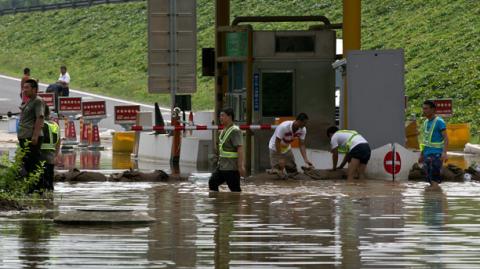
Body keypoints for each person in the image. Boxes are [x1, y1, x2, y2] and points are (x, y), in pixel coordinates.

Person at [209, 108, 245, 192]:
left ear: (229, 117)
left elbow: (240, 148)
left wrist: (240, 166)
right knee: (212, 182)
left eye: (223, 116)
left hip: (231, 168)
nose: (220, 118)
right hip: (222, 167)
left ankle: (237, 204)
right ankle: (218, 203)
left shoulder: (235, 131)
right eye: (220, 116)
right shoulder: (223, 130)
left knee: (235, 191)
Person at [268, 113, 313, 178]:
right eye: (304, 123)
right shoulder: (284, 127)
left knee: (292, 170)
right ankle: (275, 170)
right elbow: (277, 142)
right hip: (275, 148)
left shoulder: (303, 130)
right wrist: (280, 158)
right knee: (277, 172)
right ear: (299, 121)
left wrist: (306, 160)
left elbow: (302, 144)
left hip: (286, 148)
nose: (305, 125)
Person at [18, 79, 45, 180]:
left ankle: (38, 189)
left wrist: (35, 136)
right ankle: (29, 187)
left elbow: (40, 117)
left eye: (26, 88)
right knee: (27, 163)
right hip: (25, 136)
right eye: (23, 88)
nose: (24, 90)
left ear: (34, 89)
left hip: (31, 137)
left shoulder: (37, 101)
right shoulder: (29, 100)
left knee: (33, 163)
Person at [419, 100, 449, 186]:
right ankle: (431, 197)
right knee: (428, 179)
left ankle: (437, 197)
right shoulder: (425, 122)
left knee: (434, 178)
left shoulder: (439, 122)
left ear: (433, 110)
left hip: (436, 155)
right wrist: (421, 154)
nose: (424, 110)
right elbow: (425, 141)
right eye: (423, 108)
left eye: (426, 109)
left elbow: (446, 138)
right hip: (426, 154)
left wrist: (444, 153)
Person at [40, 105, 60, 191]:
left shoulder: (40, 124)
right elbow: (58, 142)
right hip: (51, 156)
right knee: (50, 182)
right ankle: (50, 200)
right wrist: (56, 155)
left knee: (41, 182)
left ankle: (44, 201)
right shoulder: (55, 125)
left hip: (40, 155)